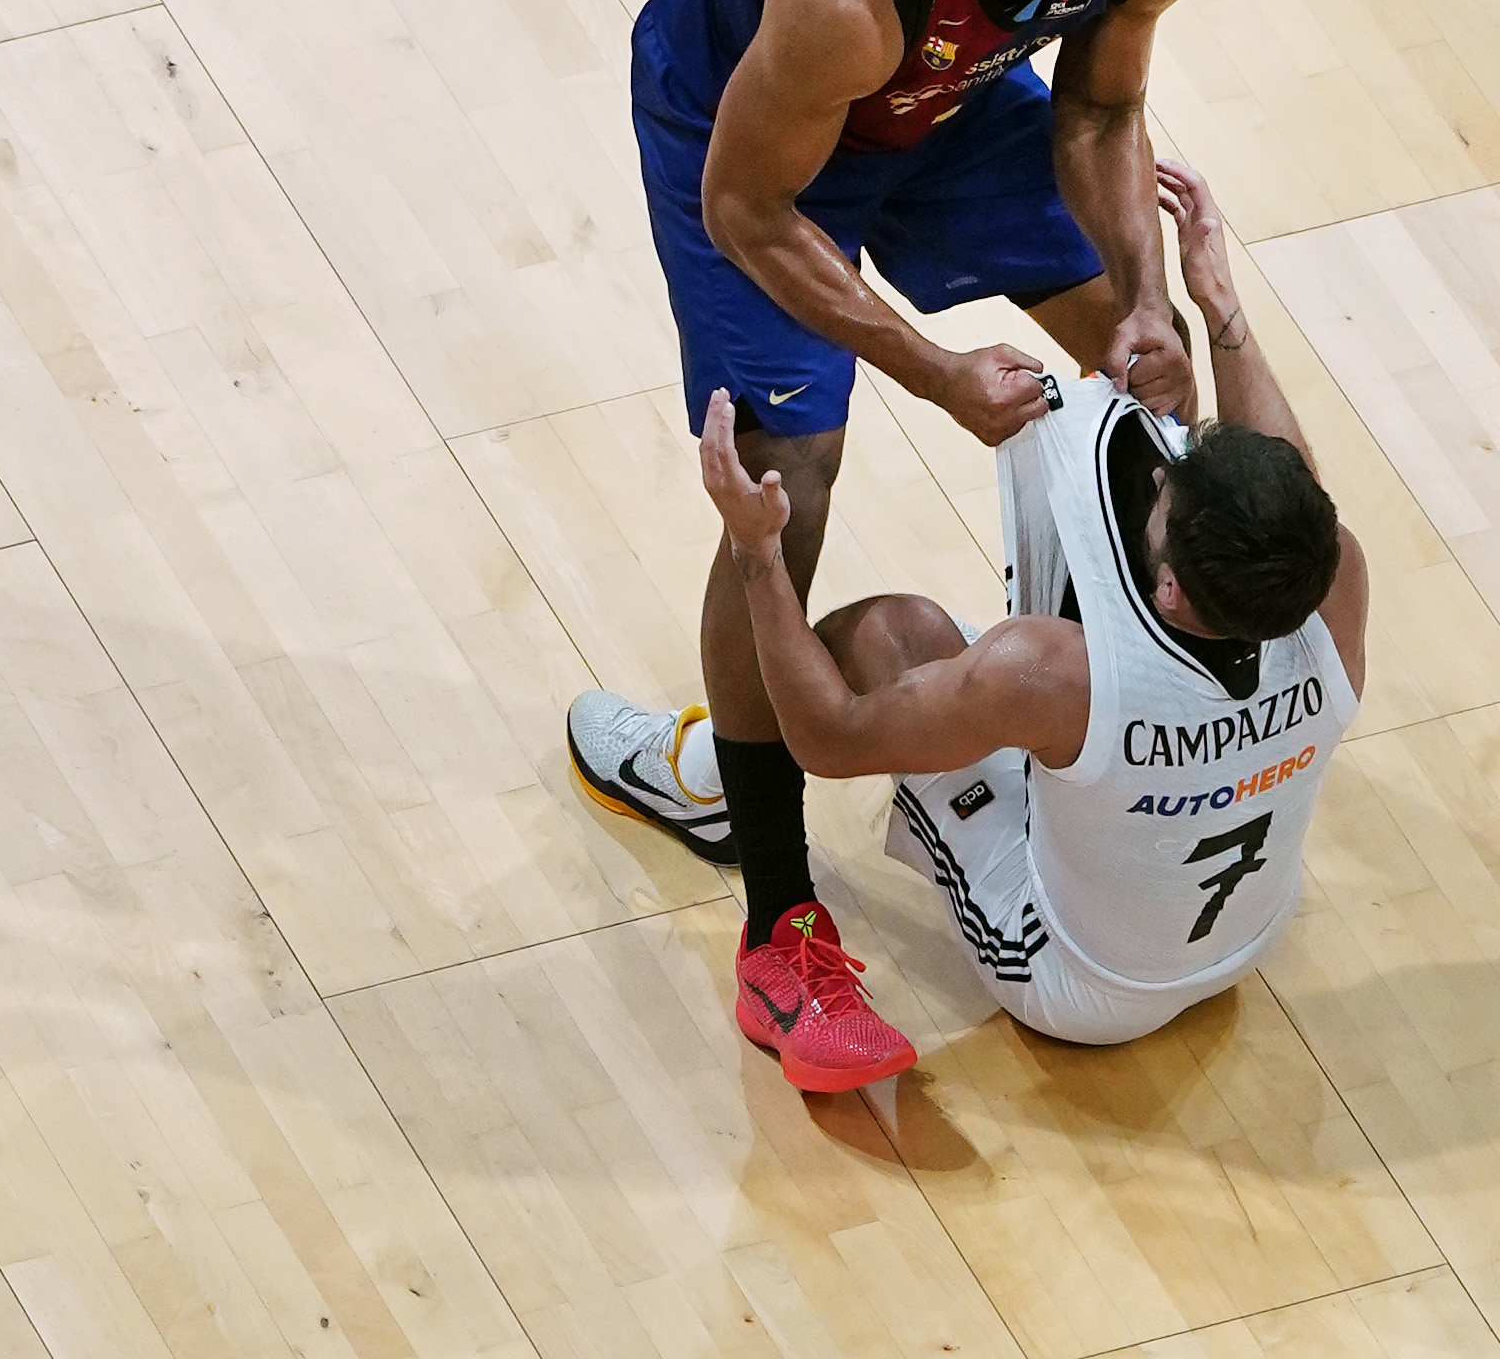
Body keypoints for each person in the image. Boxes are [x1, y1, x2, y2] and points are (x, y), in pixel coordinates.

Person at [568, 0, 1200, 898]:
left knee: (1149, 379)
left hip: (938, 102)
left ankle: (1116, 724)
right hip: (749, 136)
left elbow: (1103, 117)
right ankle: (737, 816)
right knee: (788, 475)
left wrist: (1151, 300)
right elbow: (749, 210)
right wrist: (937, 371)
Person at [578, 159, 1368, 1087]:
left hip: (1082, 983)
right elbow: (1288, 479)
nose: (1163, 469)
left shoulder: (1043, 672)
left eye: (1169, 493)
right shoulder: (1332, 577)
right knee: (1027, 696)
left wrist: (758, 557)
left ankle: (724, 785)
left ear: (1173, 595)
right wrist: (1215, 302)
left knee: (891, 640)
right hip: (1245, 939)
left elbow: (828, 738)